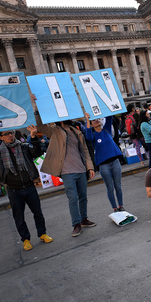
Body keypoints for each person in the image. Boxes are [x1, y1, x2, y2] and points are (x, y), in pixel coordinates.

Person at [33, 97, 96, 238]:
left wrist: (90, 167)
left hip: (81, 169)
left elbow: (85, 150)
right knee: (72, 198)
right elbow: (41, 127)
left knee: (83, 197)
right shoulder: (55, 131)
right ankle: (76, 224)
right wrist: (36, 108)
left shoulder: (76, 130)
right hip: (67, 172)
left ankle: (84, 219)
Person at [0, 126, 53, 251]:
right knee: (19, 217)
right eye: (7, 133)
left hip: (29, 186)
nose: (10, 135)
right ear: (1, 137)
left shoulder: (23, 146)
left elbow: (37, 152)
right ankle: (25, 239)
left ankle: (42, 233)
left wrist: (33, 137)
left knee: (38, 213)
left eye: (12, 132)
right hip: (14, 190)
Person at [85, 113, 125, 213]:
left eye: (98, 119)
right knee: (110, 187)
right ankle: (115, 208)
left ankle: (121, 205)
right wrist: (87, 120)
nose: (97, 120)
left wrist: (103, 108)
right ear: (91, 124)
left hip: (115, 162)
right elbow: (88, 136)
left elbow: (109, 116)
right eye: (94, 120)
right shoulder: (93, 136)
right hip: (104, 166)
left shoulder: (106, 130)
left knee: (118, 186)